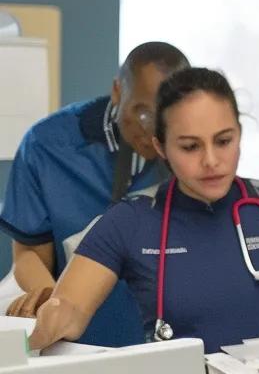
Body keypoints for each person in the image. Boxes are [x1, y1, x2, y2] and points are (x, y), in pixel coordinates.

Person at [28, 67, 259, 353]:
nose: (211, 160)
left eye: (224, 141)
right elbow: (70, 308)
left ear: (239, 133)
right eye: (190, 147)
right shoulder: (130, 221)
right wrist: (48, 317)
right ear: (161, 148)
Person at [1, 41, 188, 346]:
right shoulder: (47, 145)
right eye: (142, 113)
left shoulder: (188, 151)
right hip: (76, 342)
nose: (153, 129)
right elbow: (30, 252)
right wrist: (53, 302)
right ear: (118, 91)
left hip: (169, 342)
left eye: (167, 115)